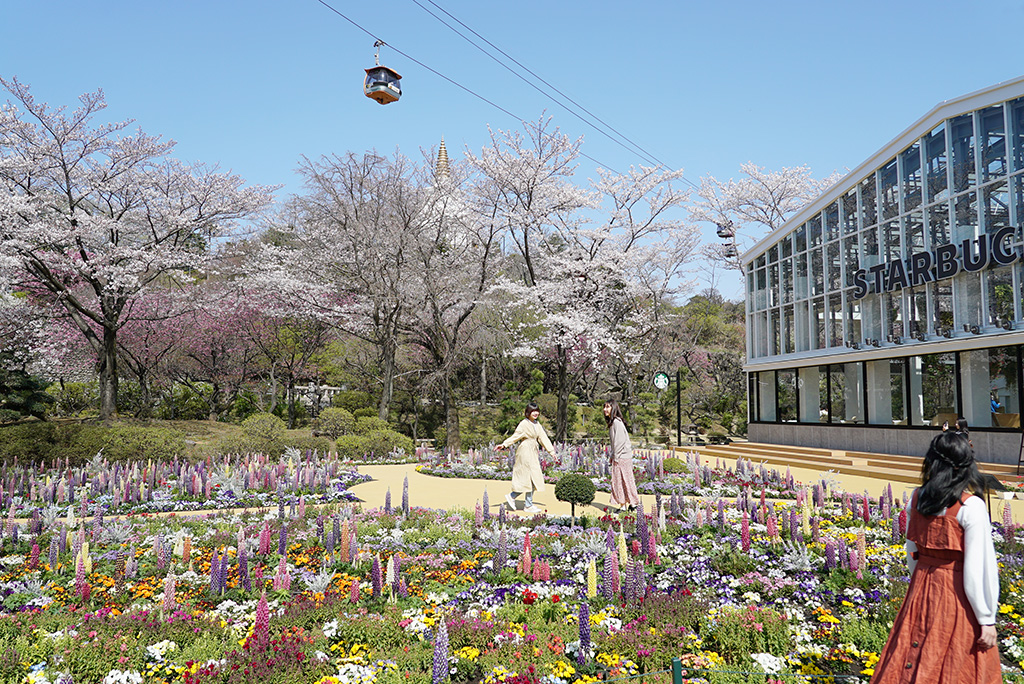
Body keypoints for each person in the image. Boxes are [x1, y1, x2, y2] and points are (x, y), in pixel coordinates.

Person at [871, 431, 1002, 684]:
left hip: (920, 586)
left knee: (910, 654)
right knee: (956, 661)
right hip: (956, 596)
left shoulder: (918, 498)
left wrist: (920, 578)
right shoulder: (969, 506)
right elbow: (977, 570)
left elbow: (912, 551)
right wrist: (986, 619)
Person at [494, 402, 553, 514]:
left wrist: (552, 452)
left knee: (533, 477)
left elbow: (543, 438)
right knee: (527, 477)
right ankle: (522, 501)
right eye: (532, 411)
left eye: (537, 411)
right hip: (525, 451)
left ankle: (524, 502)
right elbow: (515, 436)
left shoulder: (537, 424)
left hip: (533, 451)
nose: (535, 413)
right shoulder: (524, 424)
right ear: (528, 413)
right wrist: (504, 444)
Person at [604, 399, 640, 511]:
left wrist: (616, 456)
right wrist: (612, 455)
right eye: (604, 407)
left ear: (613, 408)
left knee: (626, 480)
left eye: (608, 407)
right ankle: (623, 505)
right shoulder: (613, 422)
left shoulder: (616, 422)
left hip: (622, 457)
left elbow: (620, 441)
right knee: (619, 481)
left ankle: (634, 504)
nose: (605, 409)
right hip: (620, 456)